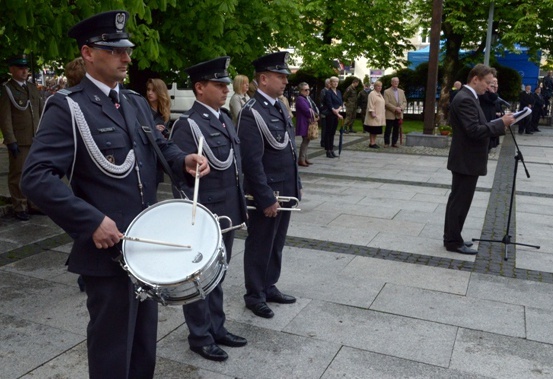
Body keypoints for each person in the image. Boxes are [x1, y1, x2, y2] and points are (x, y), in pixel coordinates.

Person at [20, 11, 209, 379]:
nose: (127, 57)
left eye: (128, 49)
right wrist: (90, 221)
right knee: (112, 350)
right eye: (115, 49)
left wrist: (183, 159)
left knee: (143, 348)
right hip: (108, 251)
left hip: (147, 248)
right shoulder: (67, 106)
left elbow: (157, 146)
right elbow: (36, 178)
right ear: (89, 53)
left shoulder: (136, 101)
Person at [170, 57, 248, 362]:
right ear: (200, 88)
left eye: (226, 84)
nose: (226, 89)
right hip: (205, 214)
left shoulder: (224, 118)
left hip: (227, 212)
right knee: (199, 278)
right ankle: (200, 335)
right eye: (219, 84)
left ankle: (217, 327)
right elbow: (180, 174)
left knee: (218, 275)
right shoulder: (187, 124)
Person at [237, 51, 302, 319]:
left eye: (285, 76)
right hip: (267, 193)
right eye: (280, 76)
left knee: (276, 242)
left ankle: (269, 284)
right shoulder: (251, 113)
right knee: (260, 242)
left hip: (284, 189)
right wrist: (265, 198)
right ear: (263, 79)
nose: (285, 81)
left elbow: (287, 152)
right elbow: (251, 162)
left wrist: (295, 186)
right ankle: (255, 294)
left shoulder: (278, 106)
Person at [444, 64, 514, 255]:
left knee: (459, 201)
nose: (488, 87)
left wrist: (497, 122)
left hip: (467, 159)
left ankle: (453, 237)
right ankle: (452, 241)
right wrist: (501, 124)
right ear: (475, 79)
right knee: (460, 202)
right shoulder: (466, 98)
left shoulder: (471, 97)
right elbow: (474, 130)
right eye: (487, 83)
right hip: (466, 159)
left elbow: (477, 125)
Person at [0, 54, 44, 221]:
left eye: (25, 68)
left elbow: (40, 112)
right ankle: (20, 205)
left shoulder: (32, 88)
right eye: (20, 68)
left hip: (35, 138)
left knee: (35, 173)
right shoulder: (7, 89)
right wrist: (10, 139)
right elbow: (5, 117)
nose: (24, 71)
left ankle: (34, 203)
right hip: (20, 139)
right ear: (12, 70)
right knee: (18, 174)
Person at [295, 82, 317, 166]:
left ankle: (305, 158)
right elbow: (307, 111)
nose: (308, 91)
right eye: (306, 90)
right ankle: (301, 159)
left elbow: (310, 109)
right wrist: (314, 114)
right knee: (305, 141)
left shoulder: (305, 98)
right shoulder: (300, 99)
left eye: (309, 89)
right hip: (304, 123)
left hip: (306, 122)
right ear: (301, 90)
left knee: (307, 141)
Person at [383, 76, 407, 148]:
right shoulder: (386, 91)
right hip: (390, 113)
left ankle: (394, 142)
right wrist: (395, 108)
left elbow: (404, 102)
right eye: (394, 81)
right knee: (388, 129)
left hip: (399, 114)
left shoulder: (401, 91)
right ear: (391, 82)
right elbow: (386, 103)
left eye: (397, 82)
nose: (396, 83)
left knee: (396, 129)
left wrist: (401, 108)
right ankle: (386, 142)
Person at [478, 77, 500, 150]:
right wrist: (491, 90)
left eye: (496, 83)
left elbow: (495, 99)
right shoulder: (483, 93)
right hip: (485, 114)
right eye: (492, 82)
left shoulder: (492, 93)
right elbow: (491, 99)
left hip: (492, 114)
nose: (494, 84)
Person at [323, 76, 343, 158]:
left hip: (336, 114)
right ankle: (328, 150)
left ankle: (332, 149)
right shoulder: (328, 92)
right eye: (334, 82)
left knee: (333, 133)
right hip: (330, 114)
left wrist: (338, 110)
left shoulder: (338, 92)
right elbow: (329, 104)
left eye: (337, 82)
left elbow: (341, 103)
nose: (335, 83)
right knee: (328, 132)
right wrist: (337, 113)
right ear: (330, 83)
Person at [364, 80, 385, 149]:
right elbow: (370, 104)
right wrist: (372, 112)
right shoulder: (372, 94)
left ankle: (374, 142)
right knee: (373, 130)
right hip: (374, 115)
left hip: (379, 115)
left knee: (376, 130)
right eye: (378, 86)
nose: (380, 87)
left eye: (381, 86)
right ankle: (371, 143)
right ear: (375, 86)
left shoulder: (380, 94)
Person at [318, 78, 330, 147]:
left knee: (328, 128)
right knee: (324, 128)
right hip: (324, 112)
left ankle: (327, 141)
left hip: (328, 112)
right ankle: (323, 141)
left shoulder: (329, 91)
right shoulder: (323, 91)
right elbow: (322, 101)